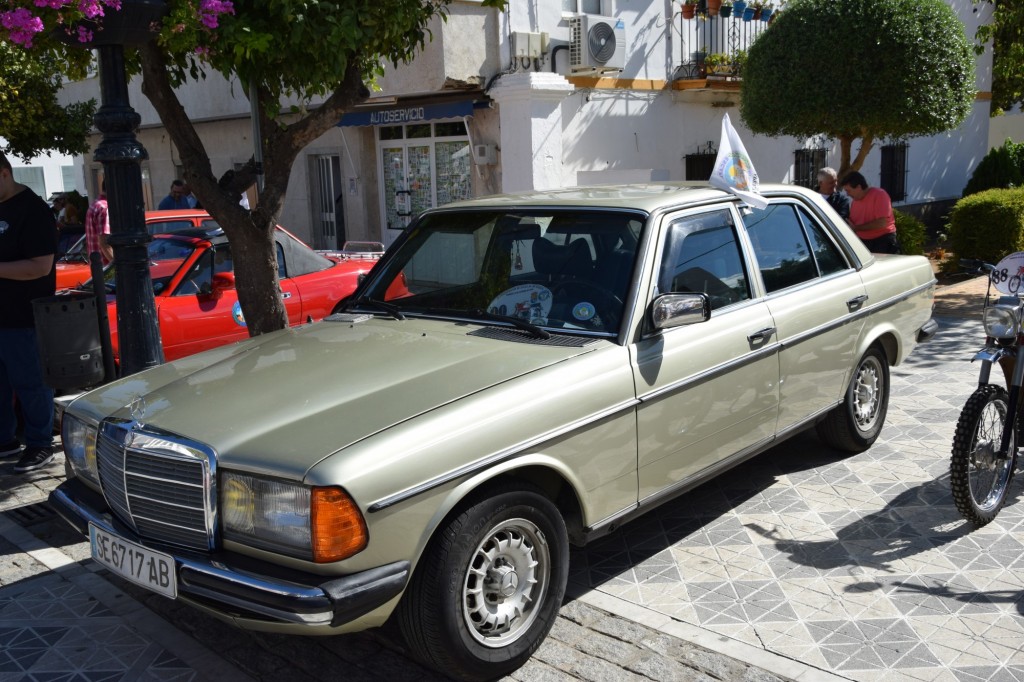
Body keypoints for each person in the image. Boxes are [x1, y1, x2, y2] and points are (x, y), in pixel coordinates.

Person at [0, 151, 57, 473]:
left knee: (31, 385)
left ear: (4, 173)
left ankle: (40, 444)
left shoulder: (33, 210)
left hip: (24, 317)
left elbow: (39, 267)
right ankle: (5, 441)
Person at [840, 170, 900, 254]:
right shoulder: (855, 202)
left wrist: (856, 228)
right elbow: (853, 223)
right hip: (863, 242)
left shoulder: (879, 195)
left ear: (859, 187)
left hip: (882, 241)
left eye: (848, 190)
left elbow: (882, 223)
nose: (847, 194)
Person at [84, 182, 113, 265]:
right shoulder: (105, 208)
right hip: (107, 267)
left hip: (97, 266)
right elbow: (105, 244)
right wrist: (118, 266)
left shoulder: (95, 204)